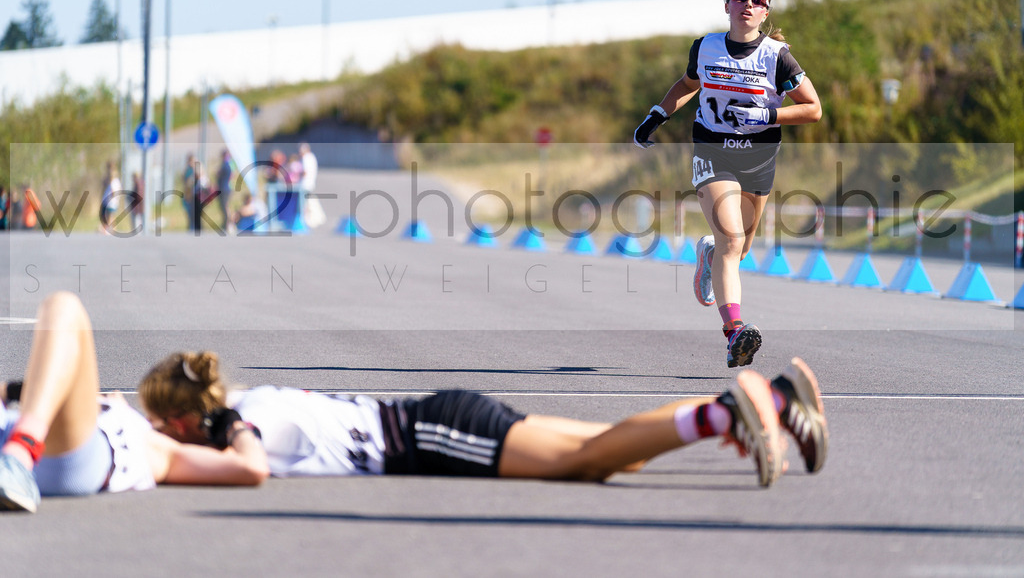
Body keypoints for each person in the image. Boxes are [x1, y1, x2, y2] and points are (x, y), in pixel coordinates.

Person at [139, 351, 827, 488]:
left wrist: (177, 468)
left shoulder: (239, 421)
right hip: (440, 416)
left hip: (431, 433)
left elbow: (250, 467)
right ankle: (774, 399)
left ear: (179, 419)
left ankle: (721, 413)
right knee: (620, 453)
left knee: (581, 465)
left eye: (157, 425)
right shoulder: (251, 397)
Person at [634, 0, 822, 368]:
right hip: (712, 150)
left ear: (766, 10)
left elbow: (813, 109)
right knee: (732, 240)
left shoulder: (777, 56)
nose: (748, 4)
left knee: (740, 250)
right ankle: (734, 329)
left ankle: (707, 255)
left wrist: (768, 112)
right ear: (727, 4)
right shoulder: (705, 47)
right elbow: (688, 84)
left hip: (758, 158)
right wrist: (657, 114)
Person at [0, 292, 269, 513]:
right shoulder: (142, 430)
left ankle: (20, 455)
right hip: (21, 433)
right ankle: (18, 454)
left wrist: (235, 425)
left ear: (177, 425)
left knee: (64, 306)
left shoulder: (163, 451)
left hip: (68, 457)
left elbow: (252, 468)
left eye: (153, 418)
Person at [298, 142, 325, 229]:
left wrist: (297, 175)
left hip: (305, 184)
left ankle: (306, 220)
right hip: (310, 183)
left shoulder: (306, 157)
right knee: (308, 202)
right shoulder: (312, 157)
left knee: (304, 203)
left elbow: (305, 172)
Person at [99, 162, 122, 234]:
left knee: (109, 216)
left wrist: (115, 198)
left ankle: (109, 229)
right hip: (107, 201)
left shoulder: (115, 181)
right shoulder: (109, 180)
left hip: (111, 202)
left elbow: (115, 191)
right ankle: (108, 229)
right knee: (107, 215)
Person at [215, 149, 233, 232]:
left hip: (224, 188)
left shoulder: (225, 165)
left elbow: (219, 175)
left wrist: (218, 173)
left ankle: (227, 224)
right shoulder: (228, 164)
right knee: (224, 206)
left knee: (225, 206)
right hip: (225, 188)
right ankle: (226, 223)